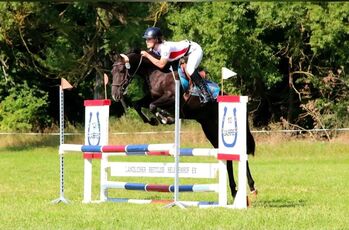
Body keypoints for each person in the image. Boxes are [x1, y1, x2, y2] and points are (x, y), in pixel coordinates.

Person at [140, 27, 213, 103]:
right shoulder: (154, 49)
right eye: (146, 39)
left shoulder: (165, 48)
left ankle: (206, 93)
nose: (146, 41)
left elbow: (161, 64)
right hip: (180, 56)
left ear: (156, 39)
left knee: (190, 69)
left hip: (194, 51)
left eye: (149, 39)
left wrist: (147, 55)